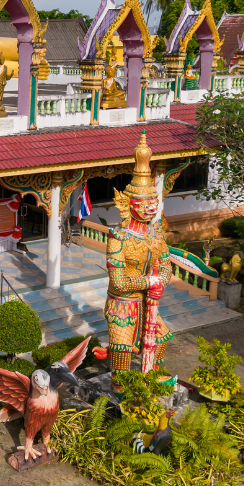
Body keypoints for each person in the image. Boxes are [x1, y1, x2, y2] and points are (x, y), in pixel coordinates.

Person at [104, 132, 172, 386]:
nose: (151, 208)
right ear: (129, 204)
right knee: (121, 350)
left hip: (146, 301)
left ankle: (150, 376)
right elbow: (119, 282)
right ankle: (119, 387)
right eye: (145, 203)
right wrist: (151, 281)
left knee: (162, 338)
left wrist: (160, 281)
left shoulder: (156, 233)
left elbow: (166, 265)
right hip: (123, 303)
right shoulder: (118, 238)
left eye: (153, 201)